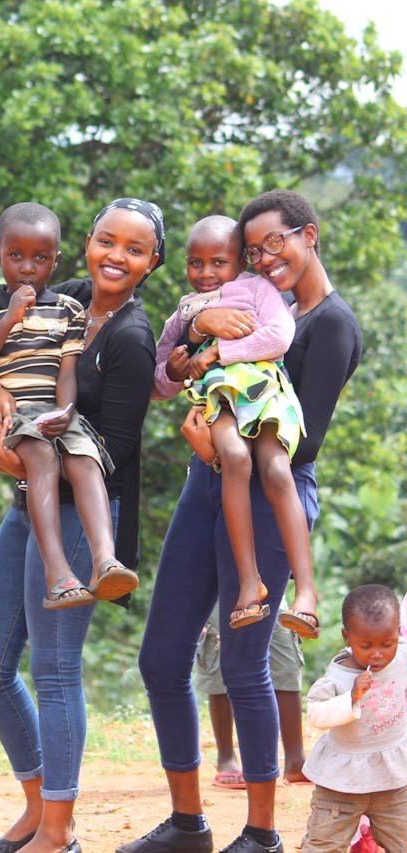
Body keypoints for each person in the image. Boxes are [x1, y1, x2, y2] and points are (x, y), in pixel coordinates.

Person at [124, 189, 362, 853]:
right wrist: (191, 345)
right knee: (161, 659)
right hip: (209, 483)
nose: (263, 257)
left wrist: (211, 410)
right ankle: (186, 823)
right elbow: (181, 362)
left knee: (244, 661)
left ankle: (261, 831)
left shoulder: (329, 322)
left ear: (308, 235)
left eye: (273, 242)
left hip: (269, 494)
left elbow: (303, 442)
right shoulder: (254, 297)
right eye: (253, 248)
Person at [0, 198, 161, 853]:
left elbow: (121, 445)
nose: (116, 256)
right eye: (107, 240)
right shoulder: (63, 295)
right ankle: (34, 804)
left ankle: (58, 828)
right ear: (85, 244)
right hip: (28, 502)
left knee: (53, 669)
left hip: (82, 510)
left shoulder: (132, 336)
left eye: (134, 249)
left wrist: (35, 451)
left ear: (151, 262)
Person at [0, 202, 137, 611]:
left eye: (40, 258)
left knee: (84, 457)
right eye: (15, 256)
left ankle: (105, 561)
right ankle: (58, 574)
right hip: (6, 417)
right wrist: (7, 321)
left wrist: (68, 412)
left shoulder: (69, 311)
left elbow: (67, 371)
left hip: (50, 410)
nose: (27, 268)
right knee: (40, 455)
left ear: (55, 261)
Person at [152, 215, 317, 637]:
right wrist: (175, 369)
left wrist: (215, 353)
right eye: (195, 262)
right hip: (222, 399)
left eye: (218, 262)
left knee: (278, 470)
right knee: (235, 458)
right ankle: (249, 582)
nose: (206, 273)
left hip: (265, 392)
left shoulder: (258, 289)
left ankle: (307, 595)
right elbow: (158, 384)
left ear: (240, 260)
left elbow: (279, 337)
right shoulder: (186, 310)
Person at [298, 584, 406, 852]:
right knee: (324, 845)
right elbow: (316, 714)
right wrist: (351, 698)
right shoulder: (338, 676)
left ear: (398, 632)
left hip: (394, 781)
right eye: (365, 645)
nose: (377, 653)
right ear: (347, 637)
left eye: (387, 643)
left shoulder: (403, 657)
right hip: (341, 786)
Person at [194, 605, 308, 789]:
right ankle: (226, 757)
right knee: (220, 660)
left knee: (286, 665)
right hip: (217, 592)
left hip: (270, 586)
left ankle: (296, 760)